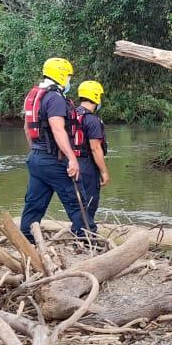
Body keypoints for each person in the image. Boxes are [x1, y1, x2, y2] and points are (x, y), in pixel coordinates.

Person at [19, 57, 83, 242]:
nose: (70, 80)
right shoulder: (55, 97)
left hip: (36, 158)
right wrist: (72, 158)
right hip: (53, 159)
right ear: (61, 75)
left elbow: (27, 128)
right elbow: (57, 129)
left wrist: (36, 151)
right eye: (69, 76)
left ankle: (27, 242)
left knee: (34, 206)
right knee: (78, 202)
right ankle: (87, 241)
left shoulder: (34, 96)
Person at [70, 80, 108, 236]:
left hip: (71, 162)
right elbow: (95, 148)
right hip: (86, 164)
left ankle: (78, 231)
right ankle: (85, 234)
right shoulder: (92, 120)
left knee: (78, 200)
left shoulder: (71, 114)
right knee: (90, 201)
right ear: (96, 96)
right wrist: (104, 172)